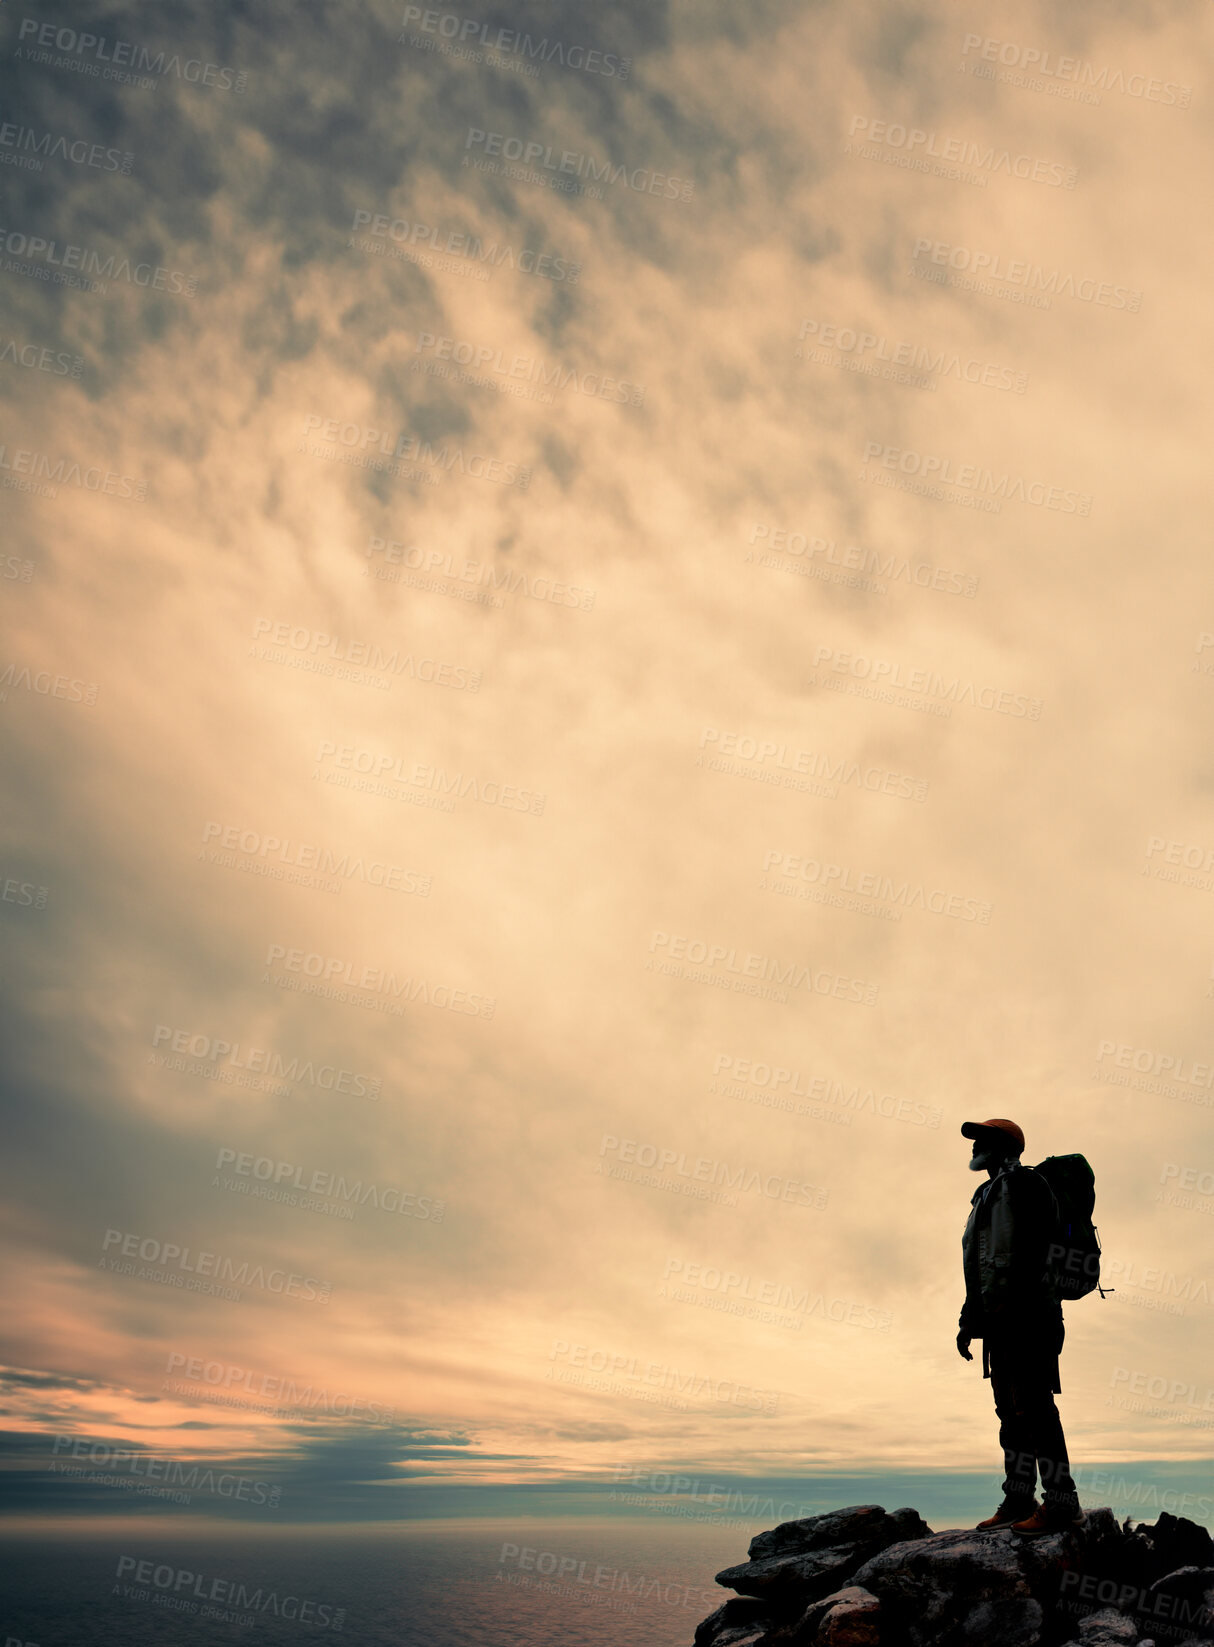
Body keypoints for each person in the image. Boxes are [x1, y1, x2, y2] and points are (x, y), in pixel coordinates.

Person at [956, 1117, 1084, 1535]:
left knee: (1036, 1411)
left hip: (1029, 1318)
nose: (976, 1147)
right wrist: (968, 1320)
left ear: (1007, 1145)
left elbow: (1038, 1254)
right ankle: (1017, 1499)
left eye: (984, 1140)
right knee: (1010, 1415)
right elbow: (981, 1266)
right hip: (998, 1323)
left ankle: (1063, 1505)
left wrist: (1026, 1312)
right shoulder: (984, 1197)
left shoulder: (1028, 1186)